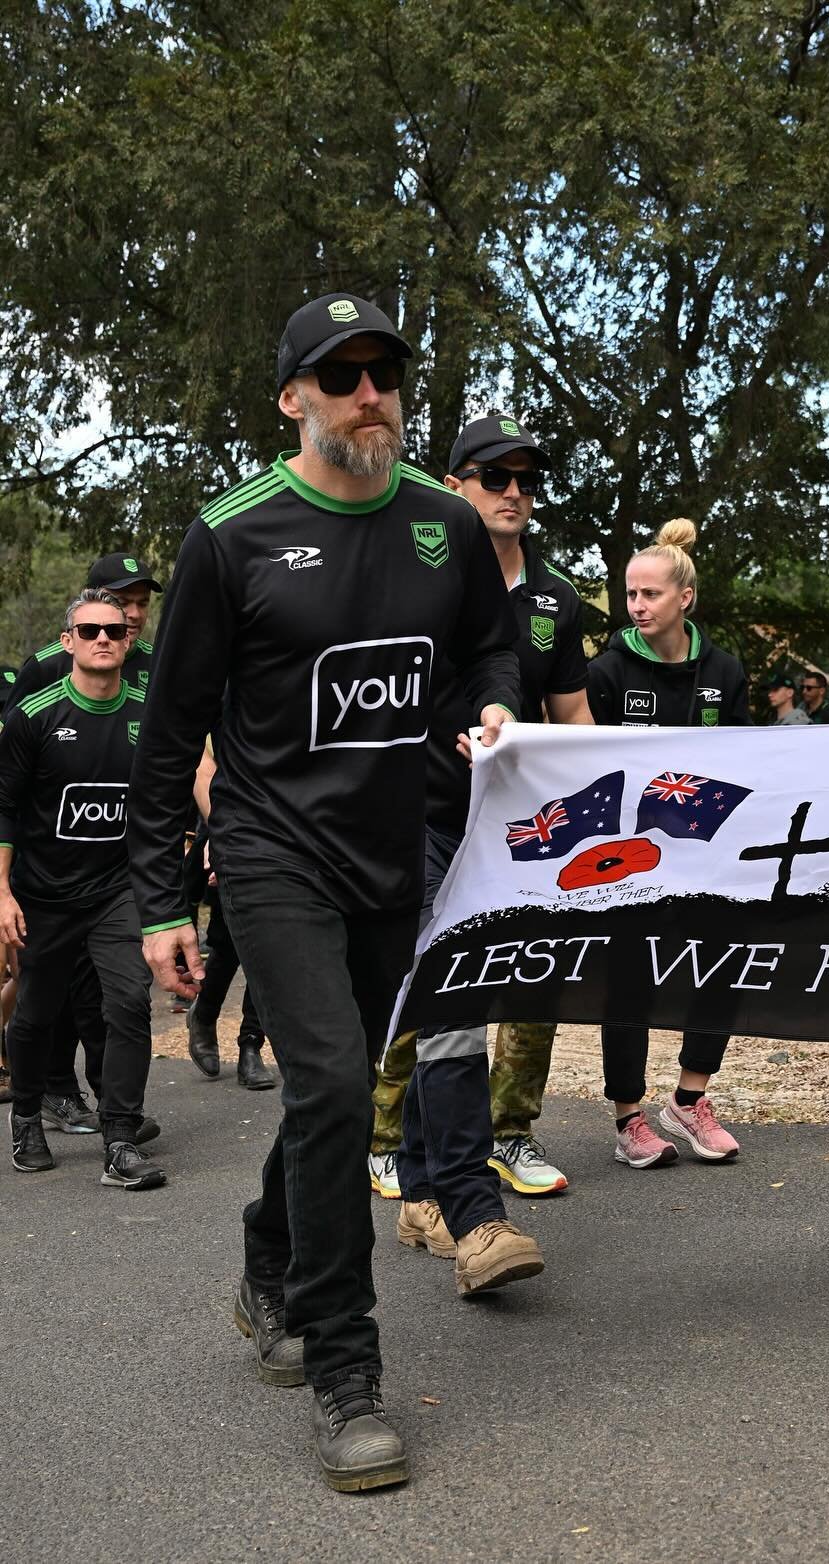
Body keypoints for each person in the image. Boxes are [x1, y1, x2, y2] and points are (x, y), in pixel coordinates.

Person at [127, 293, 525, 1493]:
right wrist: (159, 903)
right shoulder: (232, 536)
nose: (369, 393)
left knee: (329, 1094)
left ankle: (267, 1252)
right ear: (292, 398)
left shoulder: (442, 530)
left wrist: (492, 705)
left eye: (384, 371)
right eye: (340, 374)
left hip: (387, 854)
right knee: (341, 1082)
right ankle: (345, 1370)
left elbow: (484, 651)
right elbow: (167, 732)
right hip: (268, 851)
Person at [375, 412, 589, 1267]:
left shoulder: (554, 600)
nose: (513, 493)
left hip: (515, 835)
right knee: (452, 1006)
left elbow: (571, 719)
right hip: (417, 823)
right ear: (453, 483)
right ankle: (472, 1212)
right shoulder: (401, 576)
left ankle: (426, 1187)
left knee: (473, 999)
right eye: (494, 476)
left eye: (526, 480)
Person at [586, 518, 749, 1167]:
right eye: (631, 595)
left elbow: (746, 765)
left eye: (650, 595)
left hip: (704, 856)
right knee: (629, 984)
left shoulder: (725, 671)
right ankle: (629, 1120)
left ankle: (690, 1101)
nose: (637, 607)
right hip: (627, 860)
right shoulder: (606, 671)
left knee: (721, 968)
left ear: (685, 598)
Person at [0, 590, 160, 1188]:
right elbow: (4, 806)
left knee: (127, 1004)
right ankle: (26, 1117)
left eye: (114, 632)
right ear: (67, 641)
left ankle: (120, 1137)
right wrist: (3, 893)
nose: (102, 640)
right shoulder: (33, 715)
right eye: (89, 630)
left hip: (118, 889)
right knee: (38, 1013)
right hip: (43, 892)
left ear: (129, 642)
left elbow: (168, 794)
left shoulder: (150, 711)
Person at [185, 747, 276, 1091]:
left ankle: (250, 1044)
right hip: (227, 818)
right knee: (230, 938)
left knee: (272, 941)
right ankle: (205, 1014)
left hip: (286, 826)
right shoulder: (221, 698)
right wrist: (221, 832)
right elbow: (202, 768)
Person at [4, 553, 161, 718]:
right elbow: (10, 730)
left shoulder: (159, 662)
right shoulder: (45, 665)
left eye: (143, 603)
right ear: (92, 597)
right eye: (122, 602)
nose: (135, 614)